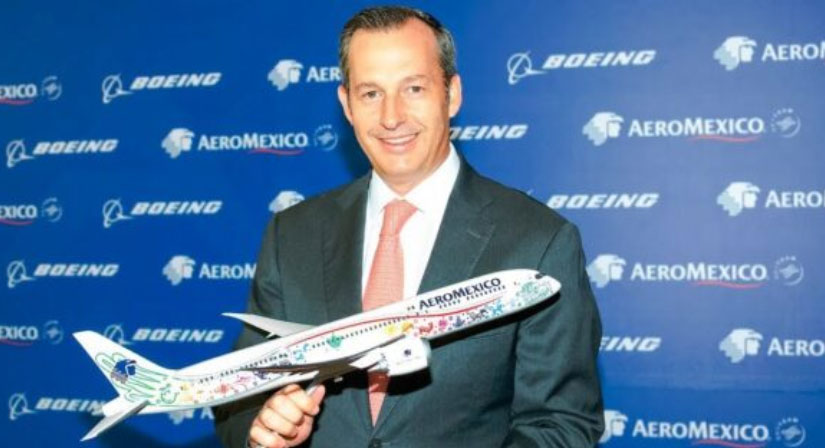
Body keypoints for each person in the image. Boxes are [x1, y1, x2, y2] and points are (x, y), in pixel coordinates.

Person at [214, 6, 603, 447]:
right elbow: (237, 397)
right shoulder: (292, 233)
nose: (391, 116)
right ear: (346, 105)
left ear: (452, 95)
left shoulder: (538, 241)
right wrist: (262, 428)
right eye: (371, 93)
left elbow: (560, 424)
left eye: (413, 88)